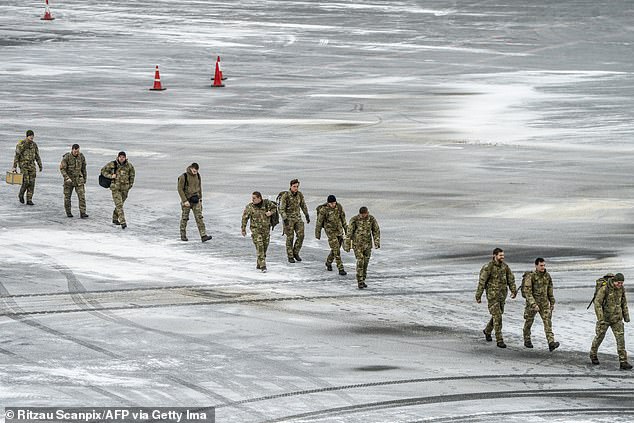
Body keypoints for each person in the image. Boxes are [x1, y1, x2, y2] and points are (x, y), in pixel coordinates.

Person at [475, 248, 517, 348]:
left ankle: (487, 331)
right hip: (492, 297)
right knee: (498, 317)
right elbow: (482, 282)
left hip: (502, 296)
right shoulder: (488, 267)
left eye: (503, 255)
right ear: (495, 255)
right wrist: (478, 295)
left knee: (497, 316)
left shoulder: (505, 267)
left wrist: (513, 290)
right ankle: (499, 340)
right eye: (500, 255)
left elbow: (510, 279)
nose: (502, 257)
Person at [590, 272, 632, 369]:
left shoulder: (621, 289)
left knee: (620, 340)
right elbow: (597, 303)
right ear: (614, 281)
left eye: (622, 283)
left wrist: (626, 316)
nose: (620, 285)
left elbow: (624, 303)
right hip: (605, 319)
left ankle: (623, 362)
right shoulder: (604, 289)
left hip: (617, 318)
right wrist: (600, 318)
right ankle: (593, 354)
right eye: (618, 283)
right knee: (599, 337)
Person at [522, 258, 559, 351]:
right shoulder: (531, 277)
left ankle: (551, 342)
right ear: (536, 266)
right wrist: (533, 304)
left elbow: (550, 290)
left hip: (544, 304)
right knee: (529, 322)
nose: (543, 267)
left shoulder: (547, 276)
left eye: (544, 265)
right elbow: (527, 292)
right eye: (541, 265)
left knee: (548, 322)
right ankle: (527, 339)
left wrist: (552, 302)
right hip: (532, 304)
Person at [241, 192, 277, 272]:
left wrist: (270, 212)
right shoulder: (250, 207)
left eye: (254, 198)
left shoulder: (267, 203)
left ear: (259, 198)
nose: (252, 199)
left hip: (266, 230)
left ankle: (259, 263)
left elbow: (275, 207)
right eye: (252, 198)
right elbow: (245, 218)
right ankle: (263, 266)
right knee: (260, 246)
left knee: (264, 248)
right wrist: (243, 229)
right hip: (255, 230)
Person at [177, 163, 212, 242]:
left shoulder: (198, 176)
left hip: (196, 200)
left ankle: (203, 235)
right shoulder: (183, 177)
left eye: (196, 171)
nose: (195, 172)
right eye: (194, 171)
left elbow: (199, 188)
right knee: (185, 218)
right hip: (187, 201)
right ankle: (183, 235)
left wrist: (200, 199)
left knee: (199, 218)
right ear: (191, 168)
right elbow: (180, 189)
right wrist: (184, 200)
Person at [347, 206, 380, 289]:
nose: (363, 216)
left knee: (365, 263)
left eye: (364, 214)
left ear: (367, 213)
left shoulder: (371, 219)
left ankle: (363, 279)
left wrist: (376, 242)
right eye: (362, 215)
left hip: (367, 245)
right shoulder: (354, 219)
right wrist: (347, 244)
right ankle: (360, 281)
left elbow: (376, 230)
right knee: (360, 261)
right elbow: (349, 232)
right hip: (357, 245)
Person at [101, 151, 135, 229]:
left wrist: (130, 185)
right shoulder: (113, 164)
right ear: (118, 157)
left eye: (123, 157)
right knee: (119, 205)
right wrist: (110, 176)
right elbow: (103, 171)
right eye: (120, 157)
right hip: (115, 188)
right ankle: (123, 222)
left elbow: (132, 176)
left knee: (120, 204)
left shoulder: (129, 166)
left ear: (125, 158)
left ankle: (115, 218)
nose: (122, 159)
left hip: (125, 189)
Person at [315, 195, 348, 276]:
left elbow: (343, 219)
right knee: (336, 250)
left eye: (334, 203)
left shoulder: (339, 207)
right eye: (331, 203)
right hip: (330, 232)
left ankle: (328, 262)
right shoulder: (324, 210)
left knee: (335, 249)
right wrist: (317, 233)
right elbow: (319, 222)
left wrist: (347, 230)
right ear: (328, 203)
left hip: (339, 230)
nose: (333, 205)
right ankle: (340, 268)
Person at [279, 179, 310, 263]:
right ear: (290, 186)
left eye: (297, 186)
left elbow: (303, 205)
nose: (296, 188)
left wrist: (306, 215)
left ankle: (295, 252)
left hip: (298, 218)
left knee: (301, 235)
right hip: (288, 219)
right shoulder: (285, 196)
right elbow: (281, 209)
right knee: (290, 237)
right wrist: (285, 219)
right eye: (294, 186)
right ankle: (290, 256)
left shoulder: (299, 195)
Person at [12, 129, 42, 205]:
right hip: (23, 165)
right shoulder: (21, 144)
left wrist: (40, 164)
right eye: (30, 137)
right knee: (26, 182)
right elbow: (17, 156)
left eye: (32, 137)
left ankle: (29, 199)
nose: (32, 139)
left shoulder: (34, 145)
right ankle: (21, 194)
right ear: (27, 136)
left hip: (31, 165)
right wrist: (14, 167)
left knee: (32, 183)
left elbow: (37, 155)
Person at [59, 144, 88, 218]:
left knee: (82, 196)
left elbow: (84, 168)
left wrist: (84, 178)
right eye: (75, 151)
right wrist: (66, 178)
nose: (76, 153)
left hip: (79, 180)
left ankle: (83, 212)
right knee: (67, 197)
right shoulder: (67, 157)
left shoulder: (81, 156)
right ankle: (68, 212)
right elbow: (62, 169)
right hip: (69, 180)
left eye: (78, 151)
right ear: (72, 150)